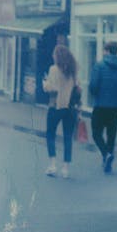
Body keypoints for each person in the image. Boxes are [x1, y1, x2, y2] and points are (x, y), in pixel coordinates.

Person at [89, 40, 117, 174]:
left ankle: (106, 154)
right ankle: (107, 163)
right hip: (115, 108)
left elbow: (93, 86)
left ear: (106, 51)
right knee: (111, 136)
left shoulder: (99, 66)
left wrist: (94, 95)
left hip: (100, 106)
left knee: (96, 133)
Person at [42, 44, 80, 178]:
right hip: (70, 108)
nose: (53, 56)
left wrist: (45, 83)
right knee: (67, 137)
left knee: (50, 134)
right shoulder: (73, 70)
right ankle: (65, 168)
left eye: (54, 54)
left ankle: (52, 165)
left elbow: (51, 88)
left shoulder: (53, 69)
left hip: (56, 106)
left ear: (57, 56)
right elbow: (76, 86)